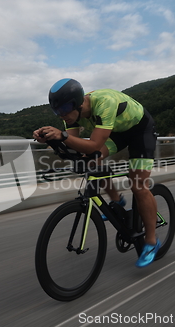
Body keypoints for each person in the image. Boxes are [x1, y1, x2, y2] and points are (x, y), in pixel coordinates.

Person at [33, 78, 159, 268]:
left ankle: (151, 242)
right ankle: (117, 202)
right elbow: (74, 146)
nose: (62, 115)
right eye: (57, 112)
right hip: (115, 131)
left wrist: (62, 135)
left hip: (140, 131)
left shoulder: (104, 102)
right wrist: (51, 140)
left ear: (78, 102)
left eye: (65, 109)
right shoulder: (71, 115)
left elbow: (93, 144)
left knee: (138, 186)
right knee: (90, 159)